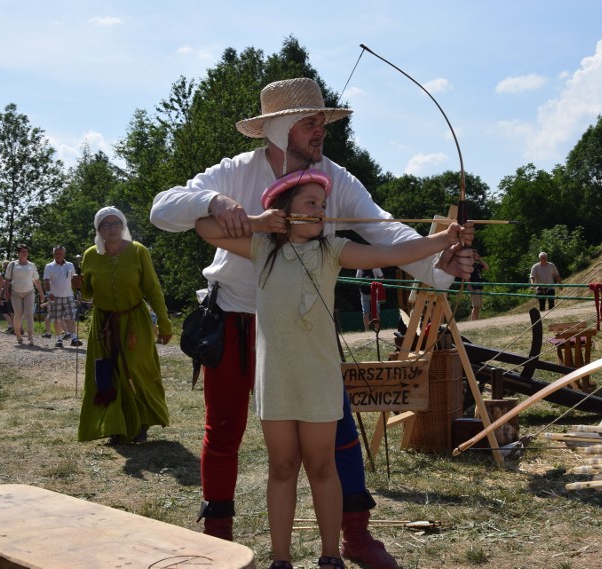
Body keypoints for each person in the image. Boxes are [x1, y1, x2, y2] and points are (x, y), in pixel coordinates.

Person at [150, 77, 474, 569]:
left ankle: (354, 538)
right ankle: (218, 541)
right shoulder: (235, 173)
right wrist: (214, 203)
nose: (320, 129)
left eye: (322, 119)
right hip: (235, 314)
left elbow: (383, 229)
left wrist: (438, 265)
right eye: (308, 121)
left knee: (337, 430)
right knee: (224, 430)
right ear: (279, 130)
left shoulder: (334, 180)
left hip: (303, 325)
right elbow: (162, 209)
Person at [196, 168, 466, 569]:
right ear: (284, 211)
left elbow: (391, 254)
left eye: (323, 205)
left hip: (319, 378)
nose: (321, 211)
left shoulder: (333, 249)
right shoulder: (260, 248)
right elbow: (205, 228)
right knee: (282, 467)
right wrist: (257, 222)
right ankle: (281, 560)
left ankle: (329, 557)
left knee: (322, 467)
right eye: (311, 204)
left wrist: (444, 239)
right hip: (276, 380)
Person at [76, 207, 172, 444]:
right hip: (103, 324)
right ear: (98, 230)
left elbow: (152, 289)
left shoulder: (138, 251)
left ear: (123, 225)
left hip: (134, 322)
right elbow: (88, 293)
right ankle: (116, 425)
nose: (112, 229)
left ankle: (141, 422)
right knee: (109, 374)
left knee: (138, 371)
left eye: (116, 223)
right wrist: (78, 285)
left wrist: (164, 322)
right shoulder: (91, 255)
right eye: (106, 225)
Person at [4, 244, 45, 346]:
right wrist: (6, 292)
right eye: (22, 251)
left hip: (29, 292)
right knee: (18, 315)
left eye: (26, 251)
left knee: (29, 314)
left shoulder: (31, 265)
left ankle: (30, 337)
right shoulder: (12, 265)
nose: (24, 253)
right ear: (18, 253)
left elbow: (36, 280)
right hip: (15, 293)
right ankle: (18, 333)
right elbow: (7, 279)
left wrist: (41, 293)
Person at [43, 245, 82, 348]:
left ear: (64, 254)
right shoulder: (49, 266)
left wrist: (78, 292)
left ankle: (74, 338)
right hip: (54, 296)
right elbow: (46, 281)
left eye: (59, 253)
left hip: (69, 295)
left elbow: (74, 280)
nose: (57, 255)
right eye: (56, 253)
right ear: (53, 254)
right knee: (57, 319)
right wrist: (49, 293)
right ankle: (59, 339)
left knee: (70, 317)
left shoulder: (70, 265)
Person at [468, 251, 489, 321]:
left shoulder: (477, 264)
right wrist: (470, 287)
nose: (475, 254)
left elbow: (487, 267)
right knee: (475, 305)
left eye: (476, 253)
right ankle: (474, 321)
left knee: (478, 306)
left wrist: (480, 259)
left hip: (479, 286)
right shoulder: (469, 265)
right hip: (473, 287)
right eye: (474, 253)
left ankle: (475, 320)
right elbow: (466, 278)